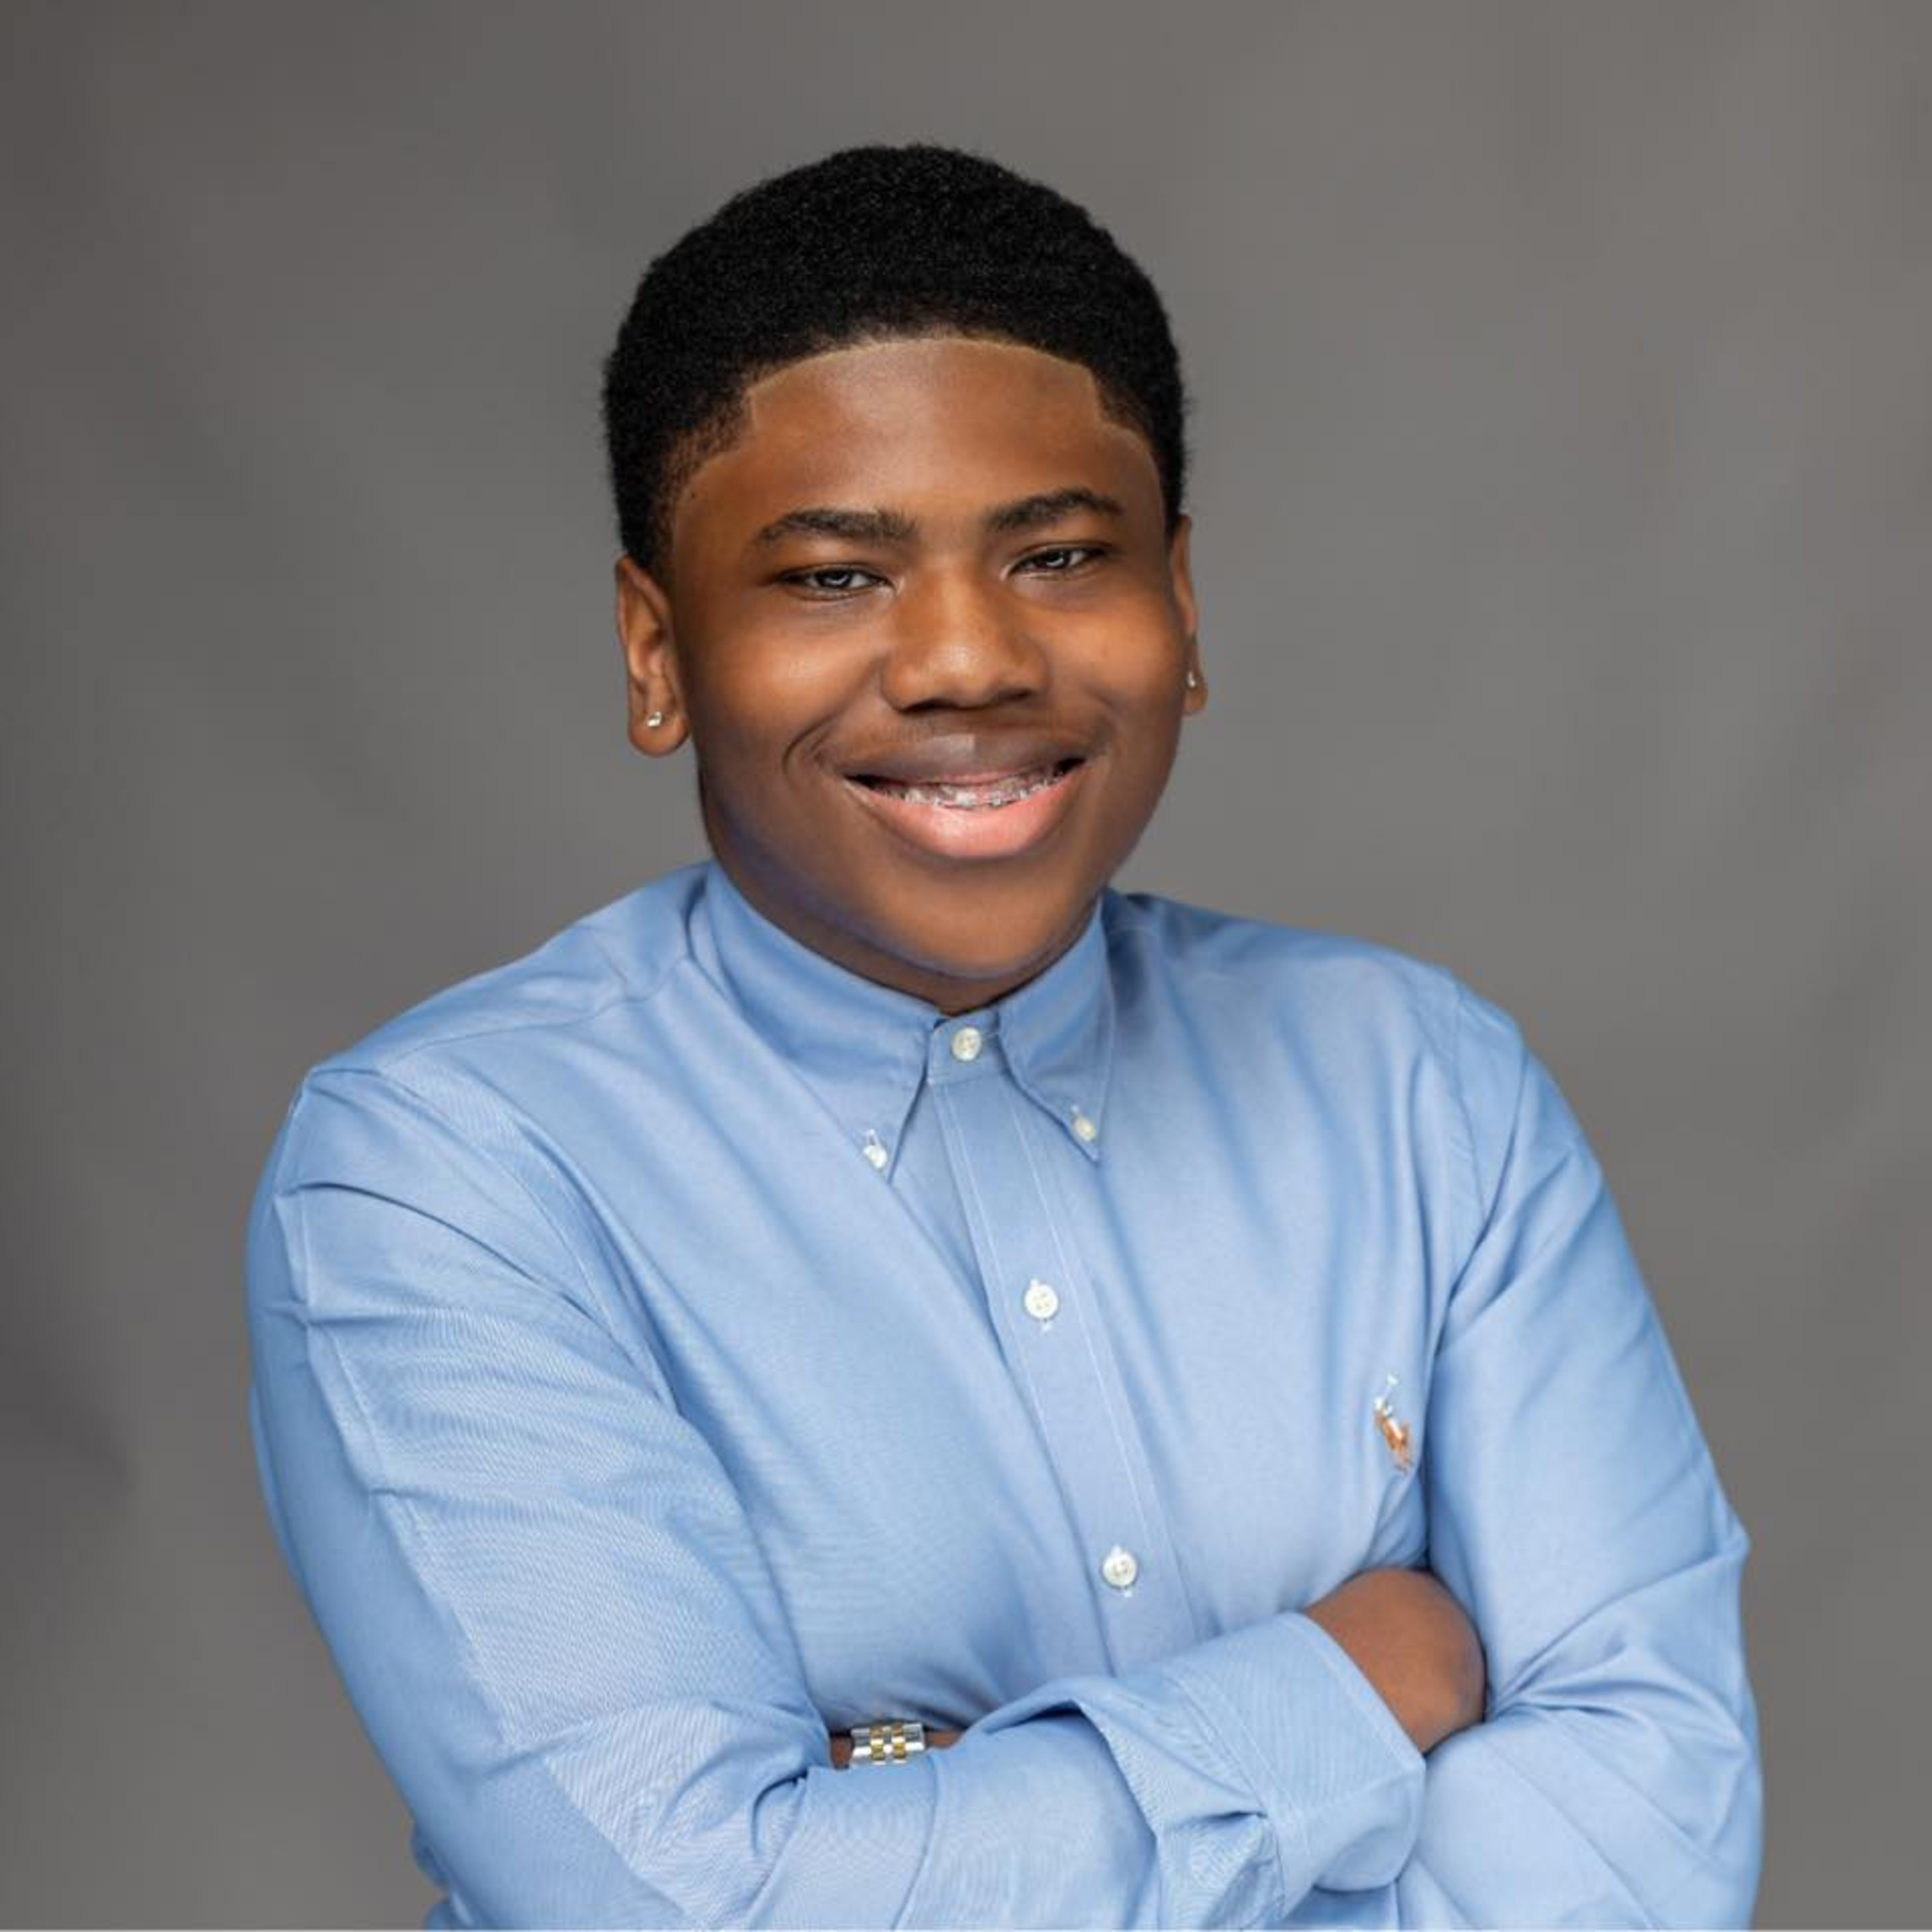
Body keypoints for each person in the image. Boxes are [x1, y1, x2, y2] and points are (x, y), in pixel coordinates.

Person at [244, 143, 1761, 1927]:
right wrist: (1355, 1685)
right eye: (834, 577)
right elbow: (686, 1908)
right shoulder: (448, 1177)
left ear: (1182, 608)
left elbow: (1648, 1852)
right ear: (658, 652)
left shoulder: (1427, 1091)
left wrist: (906, 1801)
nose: (968, 659)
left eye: (1058, 555)